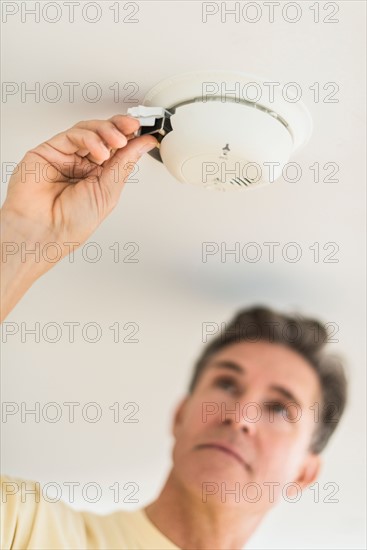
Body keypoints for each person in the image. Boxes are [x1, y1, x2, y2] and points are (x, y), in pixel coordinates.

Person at [0, 116, 348, 549]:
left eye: (280, 408)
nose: (239, 417)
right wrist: (24, 237)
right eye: (226, 382)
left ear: (304, 473)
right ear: (181, 415)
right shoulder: (28, 529)